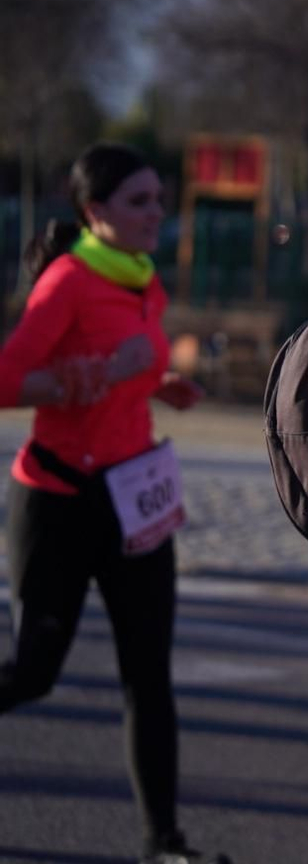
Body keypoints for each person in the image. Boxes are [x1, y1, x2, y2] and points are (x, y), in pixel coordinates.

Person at [0, 143, 216, 864]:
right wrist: (71, 381)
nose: (158, 213)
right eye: (140, 202)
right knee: (33, 673)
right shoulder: (66, 281)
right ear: (96, 212)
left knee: (148, 678)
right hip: (58, 500)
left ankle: (165, 845)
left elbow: (134, 359)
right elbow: (8, 379)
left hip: (133, 501)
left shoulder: (141, 279)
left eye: (159, 199)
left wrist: (158, 386)